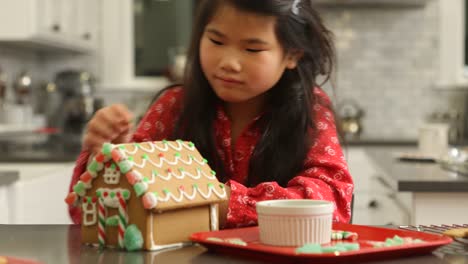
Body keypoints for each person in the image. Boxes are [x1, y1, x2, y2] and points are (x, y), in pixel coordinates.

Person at [69, 0, 354, 228]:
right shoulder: (174, 106)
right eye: (216, 41)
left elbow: (332, 203)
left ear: (292, 55)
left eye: (252, 48)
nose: (228, 62)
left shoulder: (311, 112)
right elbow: (91, 215)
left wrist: (222, 201)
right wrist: (106, 158)